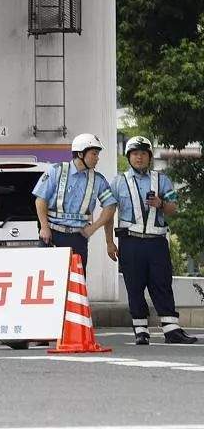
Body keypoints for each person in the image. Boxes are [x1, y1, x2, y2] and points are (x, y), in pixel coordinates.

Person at [110, 136, 197, 345]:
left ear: (149, 157)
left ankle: (172, 330)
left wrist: (160, 203)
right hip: (130, 241)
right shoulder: (118, 181)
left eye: (143, 154)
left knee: (162, 283)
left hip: (156, 242)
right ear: (128, 157)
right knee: (134, 285)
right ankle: (140, 330)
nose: (139, 157)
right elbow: (108, 211)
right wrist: (108, 242)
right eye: (135, 154)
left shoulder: (162, 179)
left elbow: (173, 209)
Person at [32, 133, 118, 272]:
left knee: (76, 284)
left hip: (78, 238)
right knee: (48, 281)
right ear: (80, 154)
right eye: (94, 154)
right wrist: (44, 227)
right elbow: (40, 200)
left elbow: (110, 207)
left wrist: (94, 227)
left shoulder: (98, 180)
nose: (97, 158)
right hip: (52, 235)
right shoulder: (56, 171)